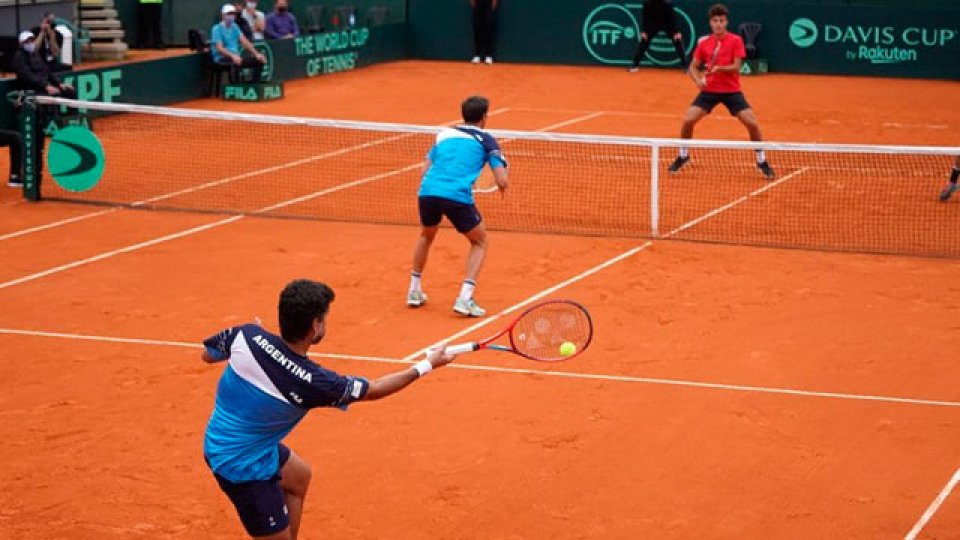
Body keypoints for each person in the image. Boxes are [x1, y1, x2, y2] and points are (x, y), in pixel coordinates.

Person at [202, 279, 456, 539]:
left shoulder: (246, 335)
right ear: (315, 326)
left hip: (232, 439)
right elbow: (375, 388)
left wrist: (255, 344)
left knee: (299, 477)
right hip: (242, 466)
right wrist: (427, 365)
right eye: (324, 319)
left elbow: (208, 355)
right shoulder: (315, 383)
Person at [407, 96, 508, 317]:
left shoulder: (443, 134)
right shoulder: (487, 141)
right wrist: (503, 172)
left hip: (427, 191)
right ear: (484, 117)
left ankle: (414, 291)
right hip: (456, 196)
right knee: (479, 241)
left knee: (426, 235)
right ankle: (465, 297)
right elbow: (501, 180)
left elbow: (424, 170)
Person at [668, 3, 775, 180]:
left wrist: (719, 69)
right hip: (709, 91)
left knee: (752, 123)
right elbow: (693, 67)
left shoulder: (736, 40)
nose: (718, 24)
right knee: (688, 120)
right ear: (710, 23)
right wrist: (697, 81)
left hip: (732, 91)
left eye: (722, 21)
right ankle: (683, 155)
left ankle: (761, 160)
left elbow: (736, 67)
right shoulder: (704, 43)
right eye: (715, 21)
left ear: (726, 22)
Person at [11, 30, 76, 190]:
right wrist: (46, 86)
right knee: (30, 138)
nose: (31, 43)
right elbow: (28, 76)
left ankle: (68, 124)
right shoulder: (19, 58)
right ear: (21, 44)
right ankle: (26, 172)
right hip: (29, 98)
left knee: (70, 92)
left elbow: (47, 72)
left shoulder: (35, 55)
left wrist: (59, 84)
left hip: (41, 94)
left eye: (32, 40)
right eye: (28, 41)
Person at [211, 3, 267, 84]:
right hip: (221, 58)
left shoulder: (235, 26)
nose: (231, 16)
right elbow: (219, 48)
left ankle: (254, 85)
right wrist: (233, 56)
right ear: (223, 15)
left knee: (259, 61)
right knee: (235, 62)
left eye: (233, 14)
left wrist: (256, 54)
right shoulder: (216, 29)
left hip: (236, 57)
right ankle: (236, 87)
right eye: (229, 14)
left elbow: (245, 41)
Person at [628, 0, 688, 72]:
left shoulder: (668, 4)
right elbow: (645, 18)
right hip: (653, 25)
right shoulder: (647, 4)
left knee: (678, 40)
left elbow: (673, 18)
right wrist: (644, 31)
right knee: (644, 41)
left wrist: (677, 32)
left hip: (667, 24)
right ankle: (635, 65)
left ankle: (686, 66)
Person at [469, 0, 498, 64]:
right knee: (477, 30)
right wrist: (475, 6)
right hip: (477, 7)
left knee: (488, 30)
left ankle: (488, 55)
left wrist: (492, 6)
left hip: (488, 6)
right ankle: (477, 55)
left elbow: (494, 2)